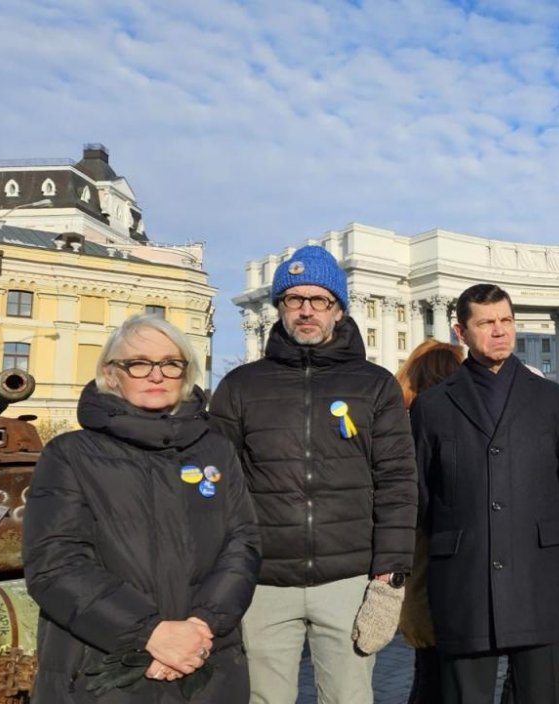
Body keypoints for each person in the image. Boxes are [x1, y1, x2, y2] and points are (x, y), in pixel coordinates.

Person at [209, 245, 417, 704]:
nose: (306, 310)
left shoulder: (374, 385)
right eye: (294, 299)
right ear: (279, 308)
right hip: (263, 582)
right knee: (263, 698)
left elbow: (398, 482)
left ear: (338, 309)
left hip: (349, 579)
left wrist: (391, 576)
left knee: (348, 697)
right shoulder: (241, 387)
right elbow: (218, 485)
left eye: (319, 300)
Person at [23, 314, 260, 702]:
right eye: (139, 363)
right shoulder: (70, 454)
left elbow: (242, 544)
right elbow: (55, 564)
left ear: (185, 373)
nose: (156, 375)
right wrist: (150, 633)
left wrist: (200, 627)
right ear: (111, 373)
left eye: (171, 363)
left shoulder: (215, 449)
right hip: (104, 667)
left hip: (206, 660)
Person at [409, 283, 559, 704]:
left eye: (506, 320)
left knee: (538, 695)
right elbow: (421, 492)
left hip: (536, 574)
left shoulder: (553, 400)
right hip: (464, 579)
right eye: (486, 323)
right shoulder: (432, 407)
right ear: (460, 331)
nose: (500, 331)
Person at [395, 339, 465, 704]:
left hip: (419, 574)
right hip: (444, 573)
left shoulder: (398, 424)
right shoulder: (438, 424)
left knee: (429, 675)